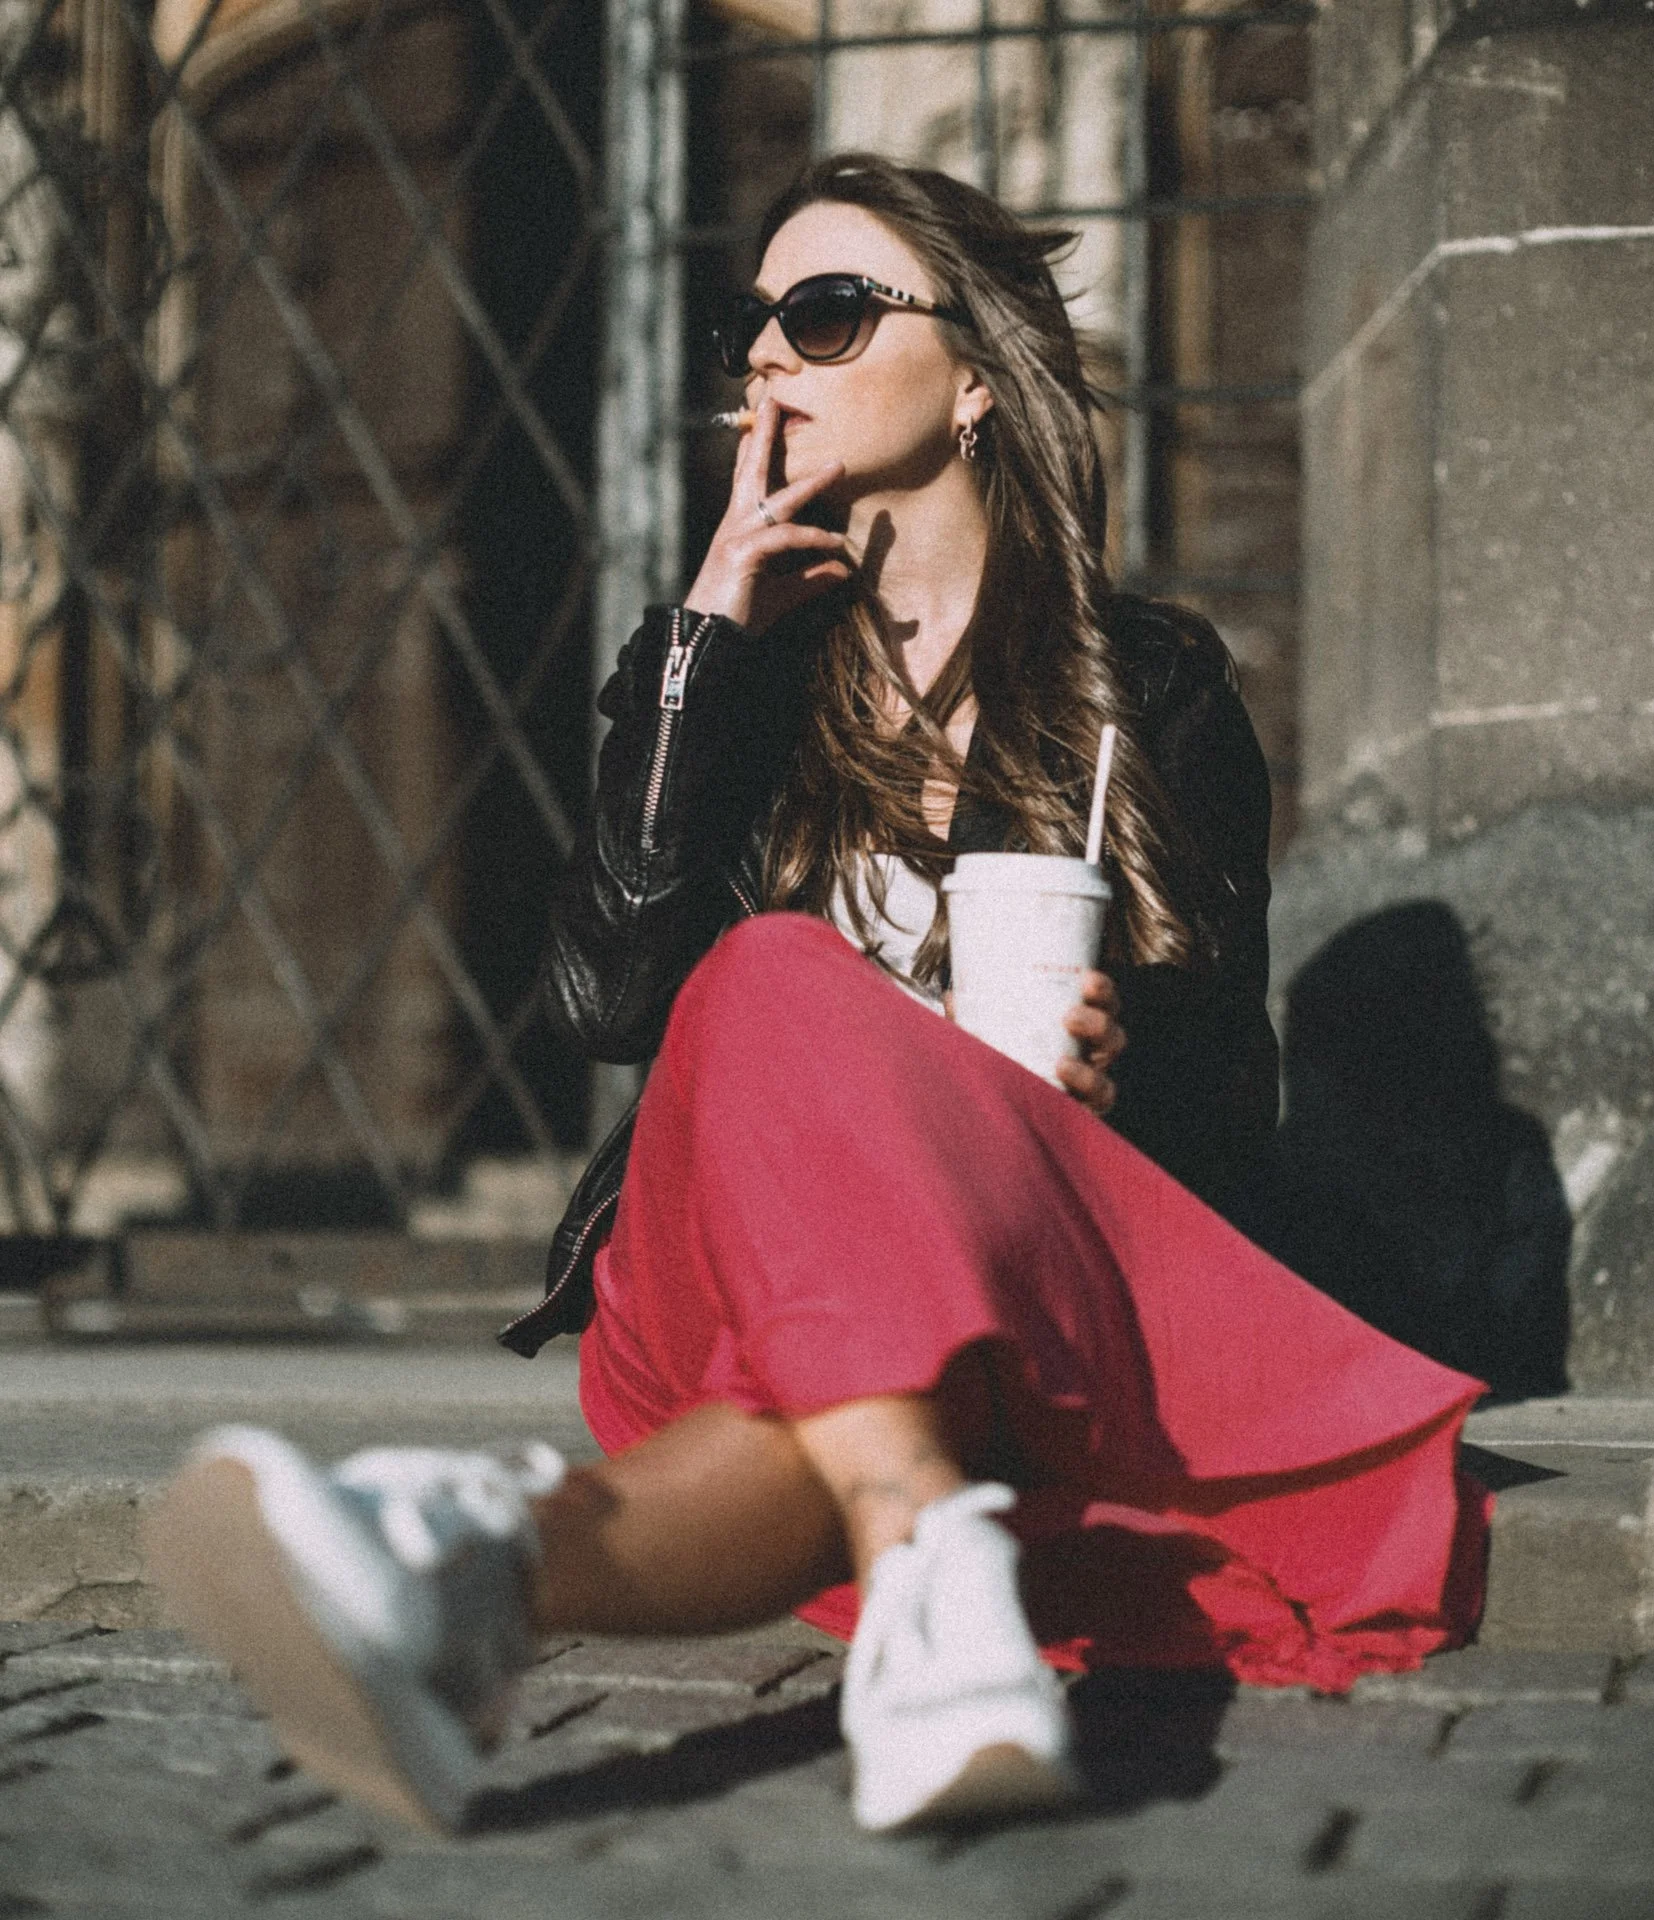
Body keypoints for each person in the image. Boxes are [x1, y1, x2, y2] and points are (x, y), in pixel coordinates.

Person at [147, 153, 1489, 1841]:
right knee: (776, 972)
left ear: (981, 379)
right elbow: (612, 999)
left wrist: (1116, 1073)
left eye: (831, 313)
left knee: (844, 1399)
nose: (771, 356)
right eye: (752, 324)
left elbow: (1231, 1099)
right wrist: (708, 644)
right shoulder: (729, 680)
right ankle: (932, 1578)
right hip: (721, 1287)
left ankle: (462, 1578)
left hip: (1027, 1309)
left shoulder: (1150, 691)